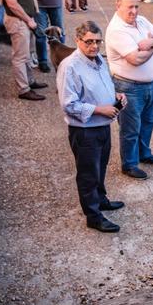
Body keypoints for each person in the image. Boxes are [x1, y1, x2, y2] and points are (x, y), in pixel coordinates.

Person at [58, 20, 128, 233]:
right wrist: (100, 109)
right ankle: (94, 216)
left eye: (98, 41)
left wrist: (115, 96)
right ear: (77, 40)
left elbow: (102, 85)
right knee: (88, 173)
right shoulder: (70, 67)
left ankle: (101, 199)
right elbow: (68, 104)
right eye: (89, 42)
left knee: (101, 166)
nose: (95, 46)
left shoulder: (97, 59)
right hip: (85, 131)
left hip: (103, 126)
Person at [105, 0, 153, 180]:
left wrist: (148, 43)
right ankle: (129, 164)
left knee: (148, 121)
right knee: (130, 128)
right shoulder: (117, 29)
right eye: (129, 7)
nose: (134, 11)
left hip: (149, 84)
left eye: (136, 6)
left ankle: (144, 153)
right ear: (118, 6)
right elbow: (135, 59)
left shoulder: (141, 20)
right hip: (128, 87)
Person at [0, 0, 47, 101]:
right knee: (19, 56)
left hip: (24, 20)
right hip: (18, 21)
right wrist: (29, 20)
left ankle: (30, 82)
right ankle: (24, 90)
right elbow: (12, 4)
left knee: (26, 54)